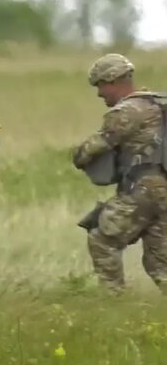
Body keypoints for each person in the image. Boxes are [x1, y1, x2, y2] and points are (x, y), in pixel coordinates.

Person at [71, 53, 167, 292]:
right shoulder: (158, 104)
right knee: (160, 262)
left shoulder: (126, 111)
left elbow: (95, 147)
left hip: (143, 189)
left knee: (102, 239)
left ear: (112, 80)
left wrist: (78, 156)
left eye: (101, 86)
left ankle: (112, 298)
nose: (99, 93)